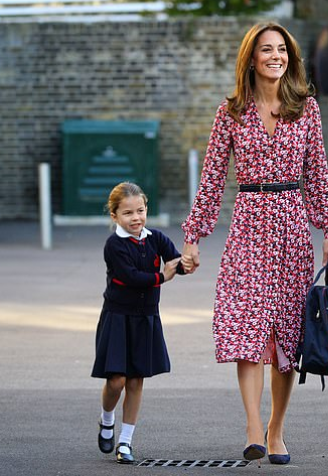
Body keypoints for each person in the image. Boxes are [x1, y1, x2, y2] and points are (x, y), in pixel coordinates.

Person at [180, 22, 328, 464]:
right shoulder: (230, 112)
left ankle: (276, 430)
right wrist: (193, 237)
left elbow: (317, 174)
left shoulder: (306, 108)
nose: (276, 56)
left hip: (291, 228)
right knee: (246, 326)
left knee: (287, 335)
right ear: (251, 58)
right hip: (248, 227)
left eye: (282, 49)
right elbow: (212, 179)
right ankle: (253, 426)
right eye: (266, 49)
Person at [92, 181, 184, 464]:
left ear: (146, 209)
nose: (136, 218)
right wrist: (162, 277)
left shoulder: (156, 238)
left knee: (135, 380)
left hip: (146, 318)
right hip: (118, 317)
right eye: (128, 213)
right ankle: (107, 419)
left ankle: (125, 442)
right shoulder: (114, 245)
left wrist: (187, 262)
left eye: (140, 211)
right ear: (114, 216)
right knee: (116, 381)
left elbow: (176, 261)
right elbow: (130, 277)